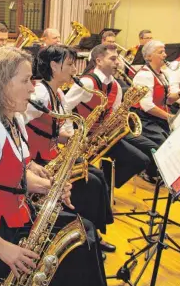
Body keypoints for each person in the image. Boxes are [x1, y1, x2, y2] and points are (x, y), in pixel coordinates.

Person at [0, 47, 107, 286]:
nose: (33, 87)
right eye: (25, 80)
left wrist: (48, 187)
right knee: (79, 257)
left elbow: (8, 176)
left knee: (86, 234)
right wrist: (5, 250)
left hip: (15, 217)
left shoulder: (15, 118)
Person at [24, 45, 114, 257]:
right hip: (38, 161)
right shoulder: (39, 94)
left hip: (51, 154)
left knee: (98, 175)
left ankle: (94, 234)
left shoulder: (58, 95)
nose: (74, 69)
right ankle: (84, 240)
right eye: (71, 64)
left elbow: (55, 131)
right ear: (55, 66)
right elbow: (19, 126)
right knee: (90, 183)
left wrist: (75, 138)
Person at [64, 44, 150, 189]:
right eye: (113, 59)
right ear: (99, 61)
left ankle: (107, 185)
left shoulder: (116, 85)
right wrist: (71, 134)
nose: (117, 63)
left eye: (117, 59)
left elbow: (114, 111)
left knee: (141, 160)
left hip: (103, 137)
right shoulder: (87, 82)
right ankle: (102, 186)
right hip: (84, 137)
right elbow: (64, 106)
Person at [132, 40, 179, 149]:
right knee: (166, 142)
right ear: (148, 57)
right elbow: (146, 106)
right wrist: (170, 117)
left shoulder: (163, 74)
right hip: (144, 119)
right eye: (160, 52)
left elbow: (166, 101)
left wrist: (179, 94)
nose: (165, 55)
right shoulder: (144, 75)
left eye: (164, 52)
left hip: (157, 116)